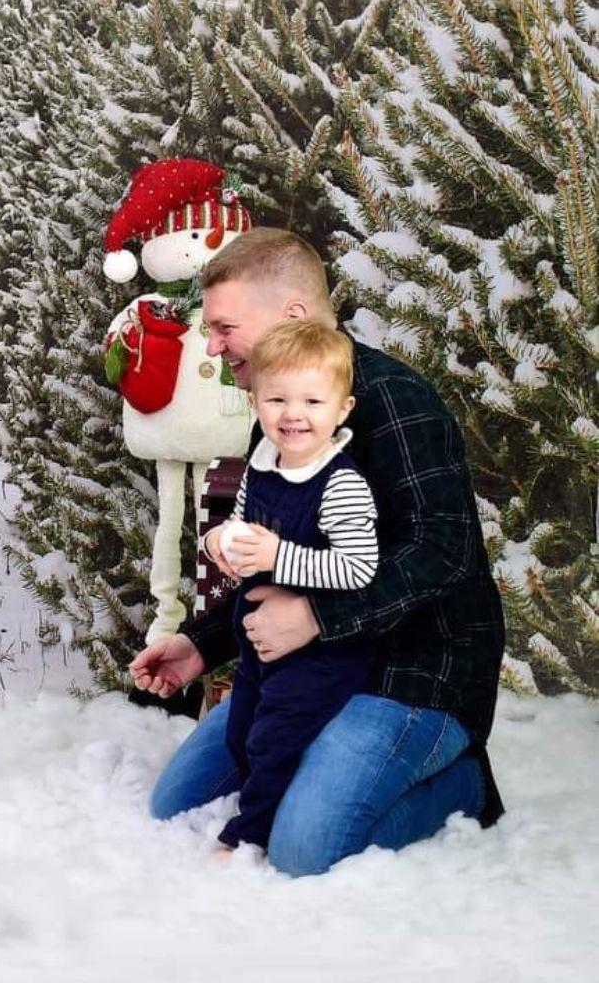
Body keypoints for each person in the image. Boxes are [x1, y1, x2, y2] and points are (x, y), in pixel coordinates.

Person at [129, 228, 505, 876]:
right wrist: (202, 644)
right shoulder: (277, 414)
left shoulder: (398, 404)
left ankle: (464, 784)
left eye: (223, 327)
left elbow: (441, 553)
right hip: (305, 669)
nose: (213, 347)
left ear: (292, 316)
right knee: (175, 802)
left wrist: (317, 620)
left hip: (412, 673)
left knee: (304, 850)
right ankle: (316, 751)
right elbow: (276, 559)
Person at [202, 320, 379, 854]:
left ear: (341, 410)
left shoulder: (341, 483)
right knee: (240, 732)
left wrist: (281, 556)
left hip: (320, 653)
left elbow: (358, 568)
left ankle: (248, 836)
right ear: (255, 401)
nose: (293, 414)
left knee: (273, 738)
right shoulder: (261, 464)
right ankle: (264, 795)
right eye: (276, 399)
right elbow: (239, 519)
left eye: (312, 401)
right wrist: (222, 542)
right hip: (261, 643)